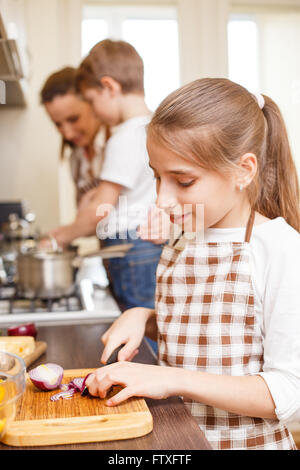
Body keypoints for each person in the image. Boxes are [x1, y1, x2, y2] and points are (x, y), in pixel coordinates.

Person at [84, 78, 300, 450]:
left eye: (183, 181)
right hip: (176, 440)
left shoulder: (279, 249)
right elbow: (209, 329)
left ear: (244, 171)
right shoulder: (184, 237)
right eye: (156, 176)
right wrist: (143, 315)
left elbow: (287, 391)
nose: (162, 200)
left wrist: (172, 380)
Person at [75, 39, 164, 316]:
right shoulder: (154, 128)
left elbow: (100, 210)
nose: (92, 111)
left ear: (110, 87)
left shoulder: (125, 136)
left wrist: (60, 235)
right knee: (148, 321)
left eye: (91, 101)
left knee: (138, 327)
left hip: (130, 249)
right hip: (143, 246)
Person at [40, 66, 111, 247]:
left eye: (73, 119)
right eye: (58, 124)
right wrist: (67, 231)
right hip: (109, 254)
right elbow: (91, 222)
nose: (68, 134)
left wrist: (62, 237)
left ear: (92, 104)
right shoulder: (76, 160)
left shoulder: (118, 143)